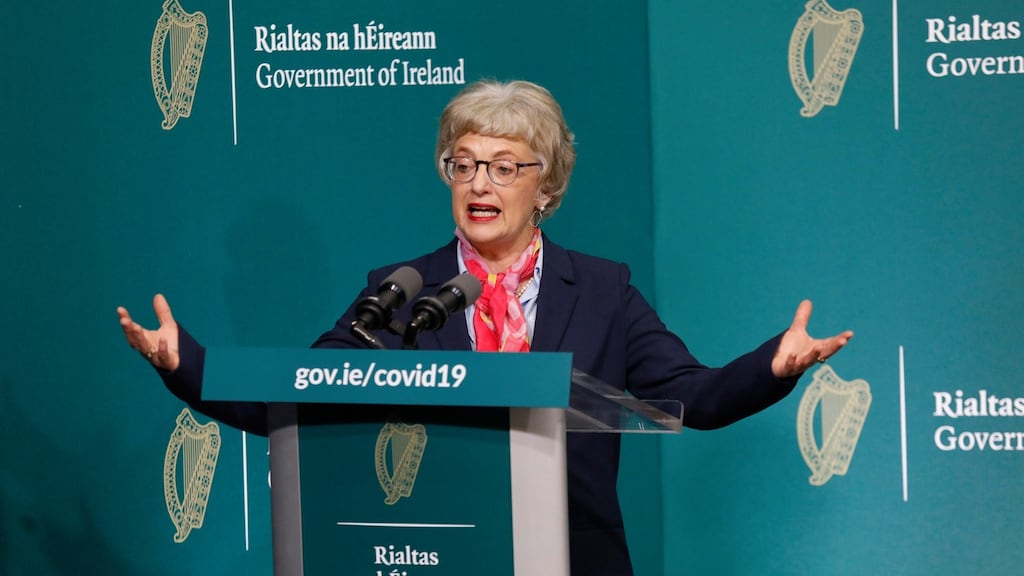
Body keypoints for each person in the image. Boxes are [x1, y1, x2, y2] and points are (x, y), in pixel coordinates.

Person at [118, 79, 853, 576]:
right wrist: (185, 363)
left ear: (547, 184)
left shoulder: (601, 289)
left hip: (575, 557)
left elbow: (694, 396)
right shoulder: (400, 290)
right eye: (463, 164)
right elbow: (303, 392)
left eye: (504, 167)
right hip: (435, 552)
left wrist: (774, 367)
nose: (480, 184)